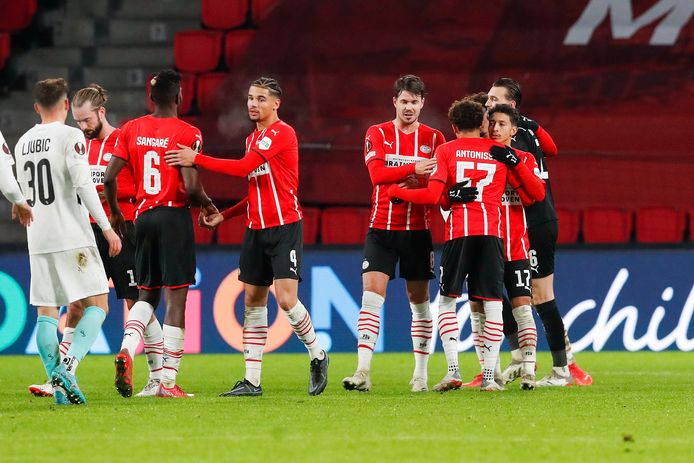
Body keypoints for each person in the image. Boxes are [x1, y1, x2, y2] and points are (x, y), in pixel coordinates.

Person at [165, 76, 329, 397]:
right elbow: (254, 189)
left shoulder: (282, 134)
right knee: (253, 301)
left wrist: (196, 158)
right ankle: (252, 380)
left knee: (285, 300)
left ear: (276, 104)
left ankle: (317, 353)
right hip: (255, 229)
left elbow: (243, 169)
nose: (253, 104)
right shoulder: (252, 139)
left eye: (261, 99)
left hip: (284, 228)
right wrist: (225, 215)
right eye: (251, 98)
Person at [389, 98, 538, 391]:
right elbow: (535, 195)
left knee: (447, 300)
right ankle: (488, 378)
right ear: (482, 124)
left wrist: (398, 191)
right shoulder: (500, 152)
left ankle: (454, 370)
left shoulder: (446, 150)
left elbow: (435, 197)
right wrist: (516, 162)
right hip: (492, 236)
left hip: (460, 233)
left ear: (454, 126)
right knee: (493, 303)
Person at [104, 69, 217, 398]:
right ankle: (168, 382)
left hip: (142, 218)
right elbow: (193, 188)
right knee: (177, 298)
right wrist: (208, 206)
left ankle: (127, 348)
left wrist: (114, 213)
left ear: (150, 98)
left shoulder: (131, 129)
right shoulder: (187, 132)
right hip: (173, 216)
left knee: (147, 295)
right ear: (180, 97)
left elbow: (110, 178)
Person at [14, 78, 122, 405]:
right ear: (65, 105)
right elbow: (84, 184)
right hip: (71, 234)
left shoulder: (22, 143)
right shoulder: (71, 135)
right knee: (98, 304)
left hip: (38, 236)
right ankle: (67, 371)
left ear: (36, 107)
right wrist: (106, 228)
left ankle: (58, 386)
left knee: (47, 312)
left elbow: (20, 194)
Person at [486, 78, 592, 387]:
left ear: (511, 107)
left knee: (539, 296)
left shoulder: (512, 138)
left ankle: (563, 366)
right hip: (525, 223)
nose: (488, 103)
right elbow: (553, 148)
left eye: (494, 99)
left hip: (533, 222)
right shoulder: (527, 130)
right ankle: (523, 358)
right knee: (494, 289)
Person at [340, 75, 442, 393]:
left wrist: (411, 179)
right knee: (371, 298)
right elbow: (377, 175)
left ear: (422, 103)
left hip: (417, 232)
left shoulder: (435, 138)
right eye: (404, 101)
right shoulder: (378, 133)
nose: (409, 107)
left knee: (419, 302)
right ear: (394, 102)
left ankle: (421, 375)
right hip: (381, 229)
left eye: (415, 101)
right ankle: (362, 372)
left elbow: (438, 181)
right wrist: (415, 170)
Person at [451, 104, 545, 391]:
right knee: (478, 307)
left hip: (515, 246)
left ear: (513, 130)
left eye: (502, 124)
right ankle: (488, 371)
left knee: (521, 307)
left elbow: (536, 195)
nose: (495, 128)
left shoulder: (524, 158)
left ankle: (528, 369)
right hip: (484, 243)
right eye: (492, 123)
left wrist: (513, 161)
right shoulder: (478, 156)